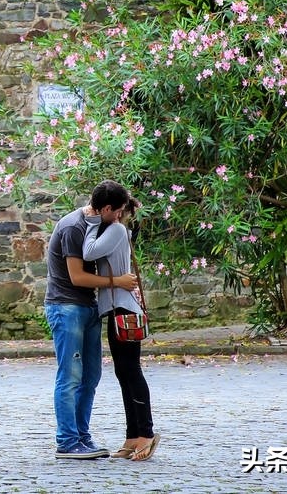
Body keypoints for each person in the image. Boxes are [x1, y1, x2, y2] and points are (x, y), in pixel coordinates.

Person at [44, 180, 137, 459]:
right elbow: (77, 277)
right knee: (70, 376)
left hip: (87, 307)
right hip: (66, 307)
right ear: (106, 208)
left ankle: (82, 436)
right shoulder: (74, 227)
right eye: (118, 211)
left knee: (90, 376)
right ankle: (67, 441)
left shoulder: (97, 225)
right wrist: (117, 282)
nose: (120, 216)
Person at [82, 182, 161, 462]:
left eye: (98, 210)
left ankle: (147, 435)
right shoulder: (114, 228)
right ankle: (132, 436)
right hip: (117, 309)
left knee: (131, 372)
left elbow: (89, 252)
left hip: (123, 311)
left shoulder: (115, 228)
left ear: (108, 210)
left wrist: (90, 221)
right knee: (123, 373)